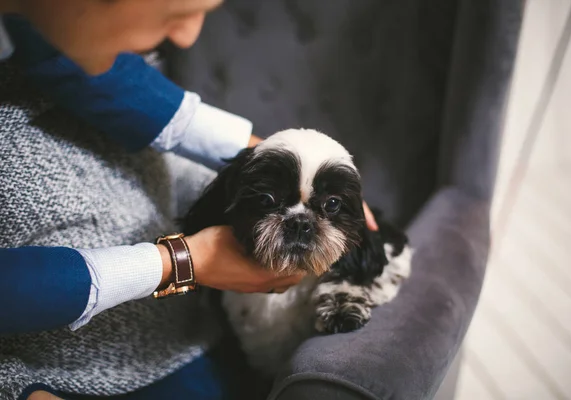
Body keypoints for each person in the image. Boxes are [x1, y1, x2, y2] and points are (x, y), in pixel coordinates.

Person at [0, 1, 378, 399]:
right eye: (176, 9)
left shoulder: (48, 31)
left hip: (194, 344)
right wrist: (181, 262)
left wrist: (280, 157)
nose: (186, 37)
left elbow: (94, 76)